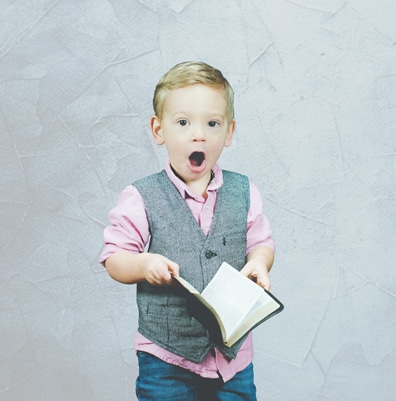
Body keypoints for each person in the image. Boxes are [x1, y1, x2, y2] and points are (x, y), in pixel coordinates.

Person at [99, 61, 275, 401]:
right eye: (183, 122)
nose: (199, 134)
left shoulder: (244, 191)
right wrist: (143, 264)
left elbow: (261, 242)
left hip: (233, 360)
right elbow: (114, 258)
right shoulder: (141, 196)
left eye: (212, 123)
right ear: (158, 129)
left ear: (229, 132)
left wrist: (260, 262)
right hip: (166, 360)